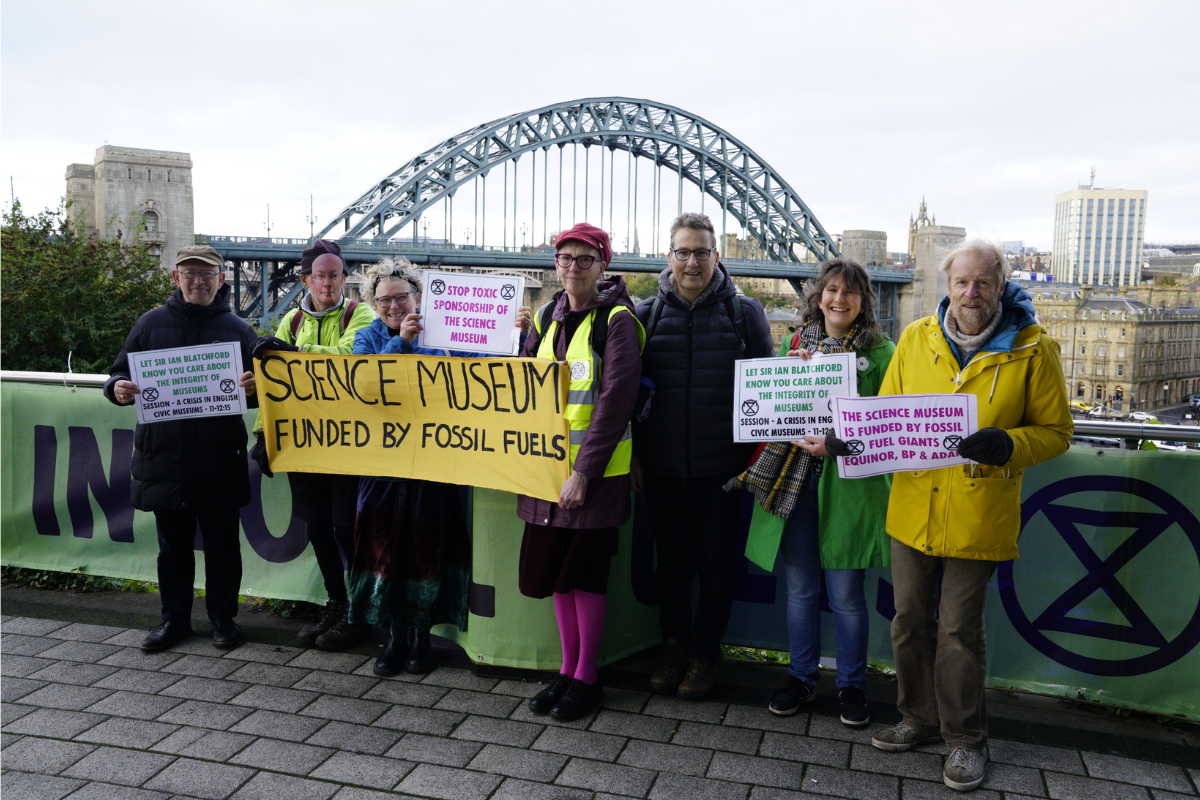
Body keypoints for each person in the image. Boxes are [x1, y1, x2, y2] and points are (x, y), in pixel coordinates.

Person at [870, 240, 1071, 791]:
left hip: (978, 510)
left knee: (959, 631)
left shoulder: (1034, 349)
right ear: (947, 286)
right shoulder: (915, 338)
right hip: (914, 507)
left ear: (1001, 284)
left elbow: (1057, 433)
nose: (971, 293)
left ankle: (965, 740)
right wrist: (852, 440)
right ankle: (918, 718)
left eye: (983, 282)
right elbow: (886, 416)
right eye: (962, 282)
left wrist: (1008, 443)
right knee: (908, 620)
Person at [348, 258, 528, 675]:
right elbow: (365, 384)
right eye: (384, 300)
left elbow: (489, 367)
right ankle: (393, 639)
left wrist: (517, 333)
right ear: (374, 304)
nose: (393, 306)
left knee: (426, 552)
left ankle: (421, 640)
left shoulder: (446, 330)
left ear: (419, 297)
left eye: (401, 297)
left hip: (434, 464)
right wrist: (402, 345)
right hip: (383, 468)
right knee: (385, 552)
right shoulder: (366, 337)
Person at [738, 258, 895, 726]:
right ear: (818, 296)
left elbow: (889, 424)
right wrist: (786, 378)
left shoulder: (883, 353)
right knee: (802, 591)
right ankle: (802, 678)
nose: (838, 300)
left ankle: (851, 686)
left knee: (847, 596)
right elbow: (772, 411)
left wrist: (838, 443)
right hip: (795, 482)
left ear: (864, 301)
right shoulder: (795, 342)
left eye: (850, 292)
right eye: (831, 290)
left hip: (847, 488)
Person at [633, 212, 773, 700]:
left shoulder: (744, 313)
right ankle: (673, 649)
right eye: (683, 252)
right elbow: (629, 395)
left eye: (702, 252)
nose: (692, 262)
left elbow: (770, 389)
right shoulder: (645, 315)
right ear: (668, 258)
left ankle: (704, 656)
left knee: (715, 569)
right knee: (670, 567)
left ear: (718, 256)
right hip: (664, 469)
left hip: (723, 471)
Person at [518, 223, 644, 720]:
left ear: (602, 266)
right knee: (559, 579)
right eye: (565, 258)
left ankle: (586, 677)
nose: (573, 267)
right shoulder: (549, 315)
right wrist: (522, 340)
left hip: (593, 477)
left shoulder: (618, 319)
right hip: (547, 473)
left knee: (585, 577)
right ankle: (567, 671)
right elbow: (526, 389)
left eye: (584, 259)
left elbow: (616, 401)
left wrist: (584, 473)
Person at [105, 245, 258, 652]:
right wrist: (116, 388)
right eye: (189, 273)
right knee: (172, 549)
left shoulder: (239, 330)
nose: (197, 281)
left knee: (222, 547)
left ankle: (223, 620)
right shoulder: (150, 324)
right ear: (176, 278)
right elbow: (119, 372)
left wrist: (256, 389)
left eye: (207, 274)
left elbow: (265, 389)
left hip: (218, 458)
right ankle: (173, 621)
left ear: (221, 280)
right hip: (165, 459)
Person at [249, 238, 376, 650]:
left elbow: (349, 356)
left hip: (346, 444)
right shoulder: (293, 320)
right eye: (319, 276)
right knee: (318, 527)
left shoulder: (362, 313)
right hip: (305, 444)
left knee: (346, 528)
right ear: (306, 279)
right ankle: (336, 604)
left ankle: (360, 610)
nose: (328, 284)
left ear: (344, 277)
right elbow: (274, 383)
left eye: (335, 275)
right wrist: (263, 433)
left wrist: (292, 354)